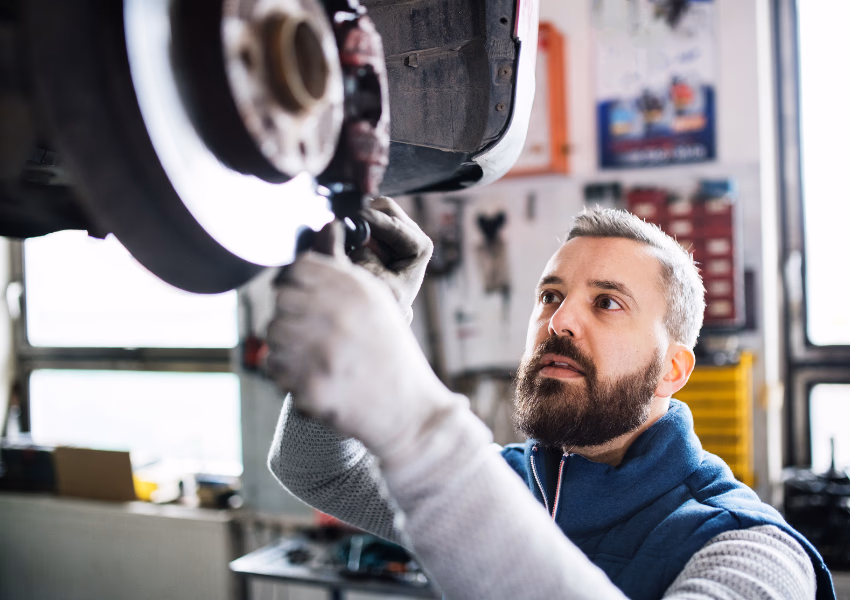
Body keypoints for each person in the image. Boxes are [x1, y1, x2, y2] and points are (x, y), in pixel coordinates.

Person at [265, 198, 834, 600]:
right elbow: (315, 468)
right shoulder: (516, 485)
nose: (559, 322)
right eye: (551, 295)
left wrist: (418, 425)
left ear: (672, 369)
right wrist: (383, 304)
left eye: (607, 302)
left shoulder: (751, 550)